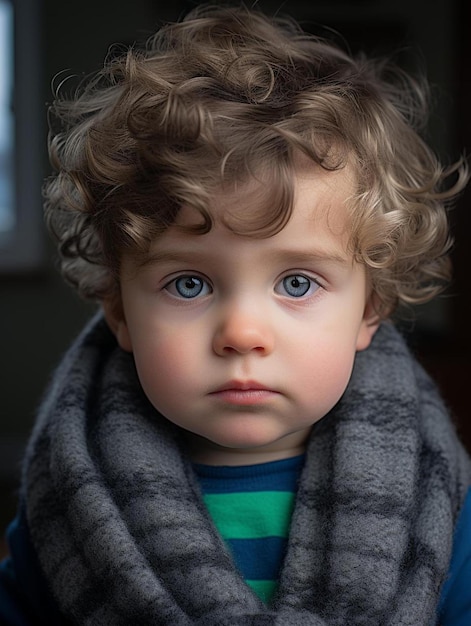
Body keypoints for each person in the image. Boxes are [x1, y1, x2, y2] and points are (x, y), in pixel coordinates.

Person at [1, 4, 470, 624]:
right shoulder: (64, 496)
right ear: (118, 308)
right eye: (190, 283)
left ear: (371, 308)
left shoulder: (435, 499)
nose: (243, 333)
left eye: (297, 282)